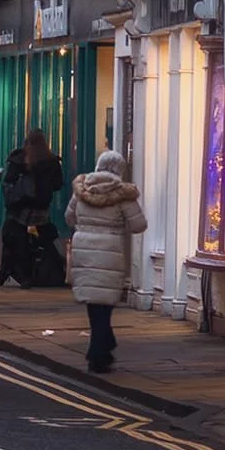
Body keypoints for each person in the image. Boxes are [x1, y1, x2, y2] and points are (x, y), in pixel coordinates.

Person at [65, 149, 146, 373]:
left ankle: (103, 347)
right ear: (120, 169)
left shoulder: (81, 190)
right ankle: (98, 354)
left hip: (84, 248)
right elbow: (139, 225)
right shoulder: (123, 194)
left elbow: (69, 218)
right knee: (105, 305)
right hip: (111, 249)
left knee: (94, 304)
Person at [0, 129, 66, 287]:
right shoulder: (51, 161)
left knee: (14, 237)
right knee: (47, 239)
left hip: (20, 208)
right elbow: (57, 184)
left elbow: (9, 181)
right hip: (41, 208)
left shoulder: (19, 159)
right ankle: (51, 271)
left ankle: (19, 272)